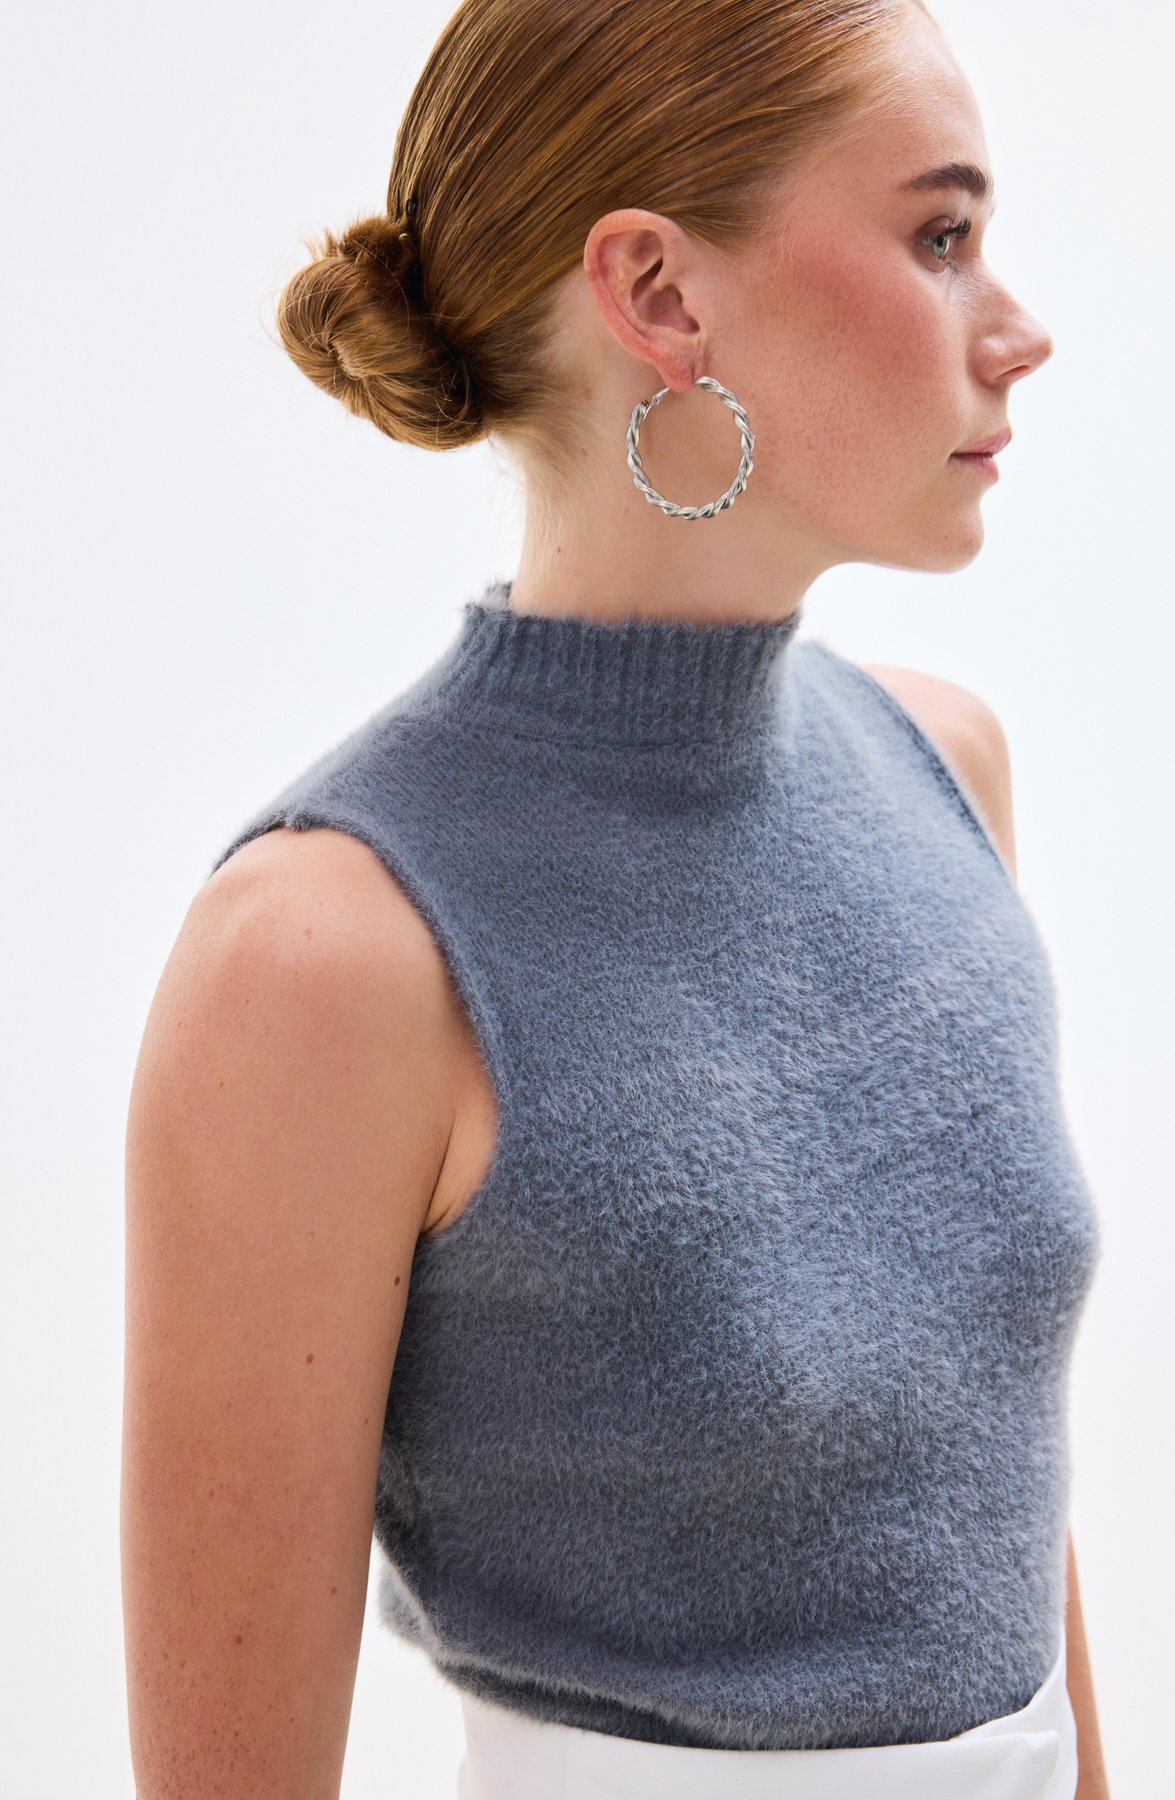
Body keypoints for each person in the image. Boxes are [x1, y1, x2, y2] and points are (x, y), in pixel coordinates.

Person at [121, 2, 1111, 1796]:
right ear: (658, 292)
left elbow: (999, 1507)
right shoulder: (331, 958)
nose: (1017, 328)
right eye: (940, 235)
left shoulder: (945, 771)